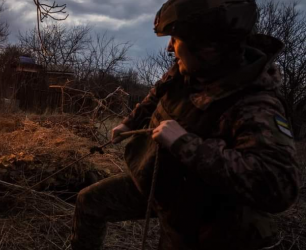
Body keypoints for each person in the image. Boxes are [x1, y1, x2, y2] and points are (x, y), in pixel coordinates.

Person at [71, 0, 300, 249]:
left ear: (208, 48)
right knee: (89, 202)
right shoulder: (187, 69)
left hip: (209, 224)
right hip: (164, 187)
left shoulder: (255, 104)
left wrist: (185, 144)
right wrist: (130, 123)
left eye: (176, 39)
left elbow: (278, 187)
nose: (170, 48)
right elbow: (157, 93)